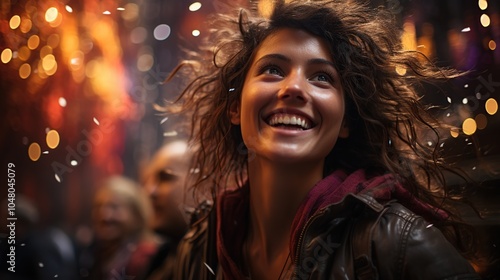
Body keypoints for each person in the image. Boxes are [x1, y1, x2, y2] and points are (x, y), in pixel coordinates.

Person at [168, 0, 481, 279]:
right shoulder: (200, 248)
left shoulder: (397, 242)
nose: (294, 88)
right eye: (273, 69)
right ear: (234, 107)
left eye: (321, 77)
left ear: (345, 121)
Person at [81, 175, 160, 280]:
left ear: (136, 214)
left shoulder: (147, 257)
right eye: (98, 207)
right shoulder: (97, 255)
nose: (104, 215)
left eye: (114, 207)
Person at [140, 140, 195, 279]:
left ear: (203, 181)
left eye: (165, 177)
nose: (149, 191)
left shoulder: (220, 261)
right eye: (147, 181)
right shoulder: (160, 258)